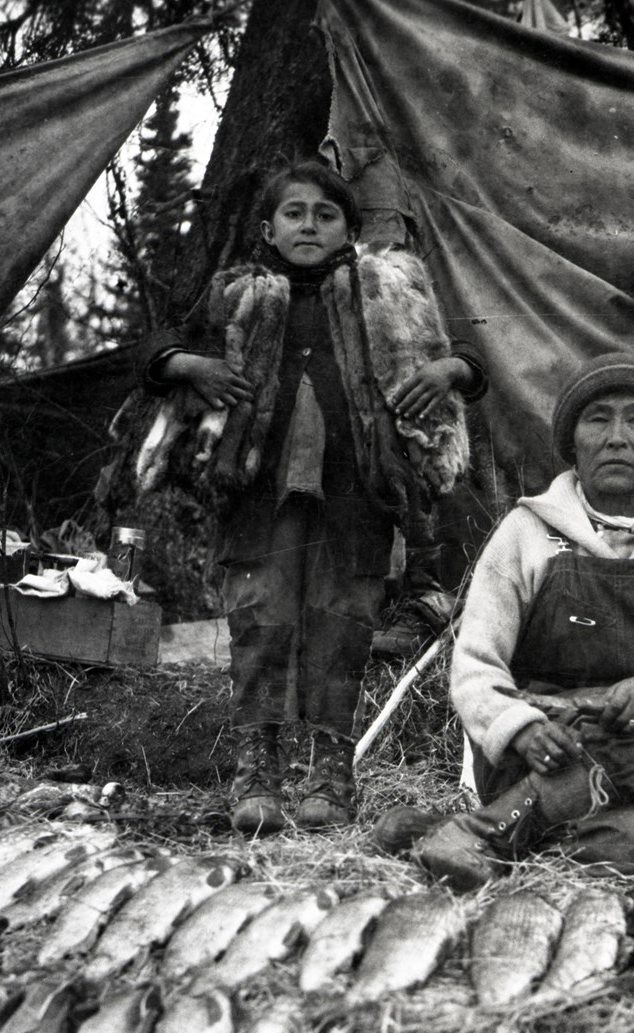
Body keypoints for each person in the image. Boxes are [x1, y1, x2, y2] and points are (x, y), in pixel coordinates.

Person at [140, 160, 487, 835]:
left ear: (350, 230)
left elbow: (465, 359)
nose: (308, 225)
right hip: (255, 492)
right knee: (260, 622)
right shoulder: (235, 295)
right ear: (267, 229)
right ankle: (256, 774)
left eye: (325, 215)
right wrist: (187, 365)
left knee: (341, 625)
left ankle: (331, 777)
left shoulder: (385, 294)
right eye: (293, 213)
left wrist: (448, 369)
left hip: (355, 493)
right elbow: (159, 344)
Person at [379, 353, 634, 889]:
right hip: (540, 754)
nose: (617, 437)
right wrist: (523, 729)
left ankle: (473, 832)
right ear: (572, 443)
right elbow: (474, 666)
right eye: (598, 418)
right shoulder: (525, 533)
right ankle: (500, 827)